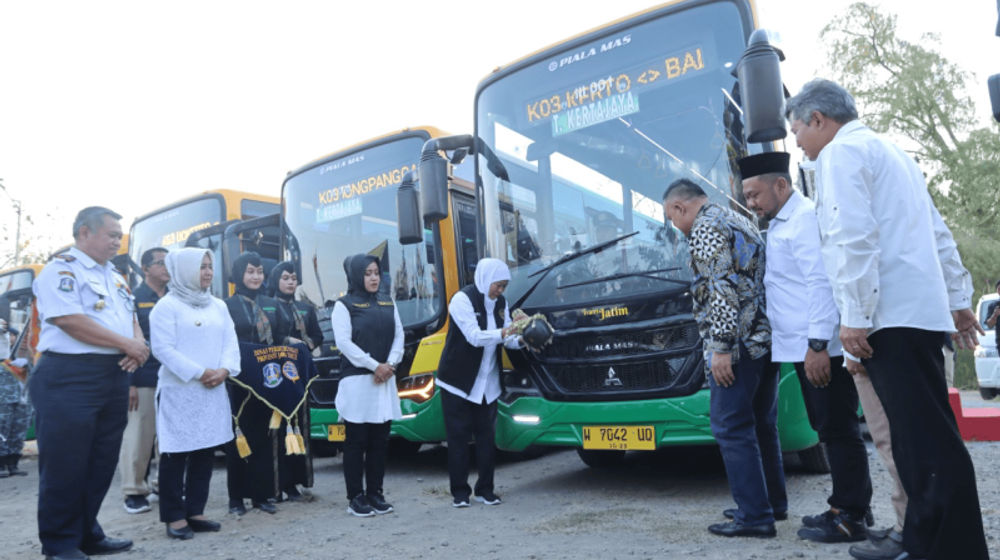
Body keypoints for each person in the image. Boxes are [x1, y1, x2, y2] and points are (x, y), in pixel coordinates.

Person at [786, 78, 987, 560]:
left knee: (924, 445)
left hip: (887, 318)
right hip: (917, 314)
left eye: (797, 131)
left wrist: (853, 318)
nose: (798, 143)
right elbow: (938, 233)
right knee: (925, 440)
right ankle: (924, 540)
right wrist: (959, 301)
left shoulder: (840, 154)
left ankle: (950, 549)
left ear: (819, 120)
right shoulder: (894, 153)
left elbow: (852, 238)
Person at [739, 152, 874, 543]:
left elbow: (820, 283)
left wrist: (817, 343)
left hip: (819, 347)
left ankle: (849, 516)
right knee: (828, 427)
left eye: (755, 194)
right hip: (801, 345)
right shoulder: (781, 222)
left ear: (781, 185)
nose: (751, 203)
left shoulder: (803, 220)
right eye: (747, 196)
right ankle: (844, 506)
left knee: (838, 429)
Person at [662, 180, 785, 538]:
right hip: (764, 338)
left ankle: (754, 516)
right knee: (763, 424)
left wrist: (720, 349)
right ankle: (771, 504)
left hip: (737, 345)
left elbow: (720, 288)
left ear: (681, 208)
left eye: (672, 218)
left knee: (730, 426)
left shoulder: (703, 228)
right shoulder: (737, 218)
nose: (674, 226)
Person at [28, 206, 149, 560]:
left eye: (119, 236)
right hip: (68, 377)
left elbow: (130, 317)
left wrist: (137, 345)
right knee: (66, 465)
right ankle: (59, 543)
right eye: (111, 234)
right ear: (84, 232)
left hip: (111, 374)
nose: (117, 241)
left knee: (100, 463)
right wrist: (127, 344)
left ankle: (86, 533)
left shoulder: (116, 276)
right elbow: (68, 319)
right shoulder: (60, 269)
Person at [149, 248, 240, 540]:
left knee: (205, 450)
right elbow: (163, 349)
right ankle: (174, 517)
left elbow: (230, 340)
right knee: (176, 453)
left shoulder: (218, 305)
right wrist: (201, 372)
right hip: (181, 390)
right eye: (201, 267)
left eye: (210, 266)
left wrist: (224, 370)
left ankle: (196, 511)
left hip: (212, 388)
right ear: (185, 269)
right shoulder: (166, 306)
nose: (208, 272)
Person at [437, 258, 523, 509]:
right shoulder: (461, 300)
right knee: (458, 438)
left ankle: (486, 490)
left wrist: (524, 337)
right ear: (486, 279)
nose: (501, 291)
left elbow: (508, 339)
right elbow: (474, 337)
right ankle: (460, 493)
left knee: (487, 439)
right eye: (498, 285)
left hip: (488, 383)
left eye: (505, 286)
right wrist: (505, 333)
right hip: (458, 382)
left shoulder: (501, 303)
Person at [331, 254, 403, 517]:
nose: (373, 278)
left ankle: (375, 493)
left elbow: (399, 336)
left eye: (376, 273)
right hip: (358, 382)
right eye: (368, 273)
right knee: (355, 442)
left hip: (383, 380)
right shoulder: (344, 305)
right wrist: (376, 366)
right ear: (357, 276)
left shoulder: (387, 301)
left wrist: (390, 364)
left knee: (379, 442)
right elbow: (345, 344)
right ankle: (356, 498)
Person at [223, 251, 291, 515]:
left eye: (259, 271)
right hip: (238, 381)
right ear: (239, 274)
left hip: (268, 380)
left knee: (264, 437)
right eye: (250, 271)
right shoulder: (226, 306)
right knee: (238, 438)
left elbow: (281, 337)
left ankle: (261, 496)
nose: (256, 276)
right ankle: (236, 499)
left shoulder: (271, 303)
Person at [120, 247, 168, 514]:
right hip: (143, 377)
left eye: (167, 262)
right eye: (160, 263)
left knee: (169, 437)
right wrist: (130, 383)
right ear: (146, 268)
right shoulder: (134, 298)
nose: (165, 267)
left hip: (172, 377)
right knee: (139, 435)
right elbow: (125, 341)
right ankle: (134, 490)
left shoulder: (175, 297)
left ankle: (163, 483)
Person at [267, 261, 323, 352]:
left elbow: (318, 336)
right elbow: (264, 336)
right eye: (285, 278)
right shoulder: (267, 307)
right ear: (276, 281)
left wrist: (307, 344)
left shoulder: (306, 308)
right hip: (276, 360)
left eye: (294, 278)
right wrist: (288, 341)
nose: (291, 282)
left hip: (302, 359)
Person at [0, 317, 32, 478]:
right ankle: (1, 464)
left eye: (13, 335)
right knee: (2, 429)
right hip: (3, 398)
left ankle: (13, 464)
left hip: (21, 397)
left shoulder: (20, 355)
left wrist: (27, 363)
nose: (10, 337)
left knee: (18, 430)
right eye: (7, 335)